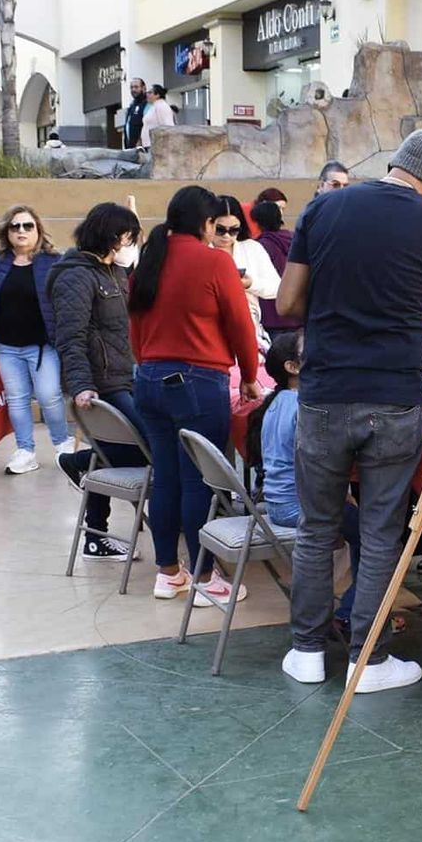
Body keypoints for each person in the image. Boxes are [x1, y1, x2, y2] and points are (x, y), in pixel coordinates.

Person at [276, 127, 422, 692]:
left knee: (316, 530)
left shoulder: (324, 207)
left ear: (398, 164)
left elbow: (285, 302)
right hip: (396, 397)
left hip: (327, 390)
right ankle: (368, 660)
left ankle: (306, 652)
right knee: (381, 533)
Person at [129, 184, 263, 602]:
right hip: (196, 382)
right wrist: (249, 374)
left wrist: (151, 362)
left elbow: (134, 330)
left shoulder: (148, 262)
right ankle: (206, 577)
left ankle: (169, 571)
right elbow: (241, 324)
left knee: (166, 478)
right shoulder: (214, 263)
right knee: (197, 481)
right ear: (206, 223)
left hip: (149, 379)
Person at [48, 202, 147, 559]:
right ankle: (84, 467)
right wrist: (80, 385)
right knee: (145, 444)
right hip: (102, 383)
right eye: (127, 238)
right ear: (110, 237)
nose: (130, 245)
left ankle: (94, 529)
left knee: (117, 450)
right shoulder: (76, 275)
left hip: (125, 374)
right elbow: (70, 337)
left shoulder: (113, 271)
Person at [248, 331, 361, 638]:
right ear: (293, 368)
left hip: (277, 503)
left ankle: (355, 609)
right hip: (300, 505)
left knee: (361, 528)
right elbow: (322, 467)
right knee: (381, 540)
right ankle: (353, 614)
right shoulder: (305, 407)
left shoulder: (276, 402)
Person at [0, 204, 70, 475]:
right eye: (15, 226)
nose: (21, 231)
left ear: (38, 230)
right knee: (17, 399)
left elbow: (63, 302)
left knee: (49, 396)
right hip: (7, 346)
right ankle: (25, 450)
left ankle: (63, 444)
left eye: (27, 226)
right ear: (6, 232)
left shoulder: (54, 261)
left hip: (42, 346)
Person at [211, 196, 281, 347]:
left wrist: (250, 284)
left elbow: (276, 288)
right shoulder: (200, 249)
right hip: (208, 332)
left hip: (249, 330)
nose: (227, 236)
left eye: (234, 230)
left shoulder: (252, 248)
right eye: (220, 229)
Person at [251, 198, 300, 335]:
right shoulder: (296, 240)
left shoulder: (258, 246)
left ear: (258, 222)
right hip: (296, 314)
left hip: (271, 317)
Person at [140, 84, 176, 149]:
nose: (147, 94)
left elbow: (168, 126)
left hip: (157, 146)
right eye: (147, 93)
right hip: (149, 144)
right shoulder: (154, 106)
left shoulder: (162, 106)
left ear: (157, 95)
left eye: (150, 93)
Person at [123, 78, 148, 150]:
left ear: (144, 88)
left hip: (142, 149)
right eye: (131, 87)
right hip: (130, 149)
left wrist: (141, 141)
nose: (133, 90)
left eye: (136, 87)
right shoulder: (132, 105)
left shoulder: (147, 104)